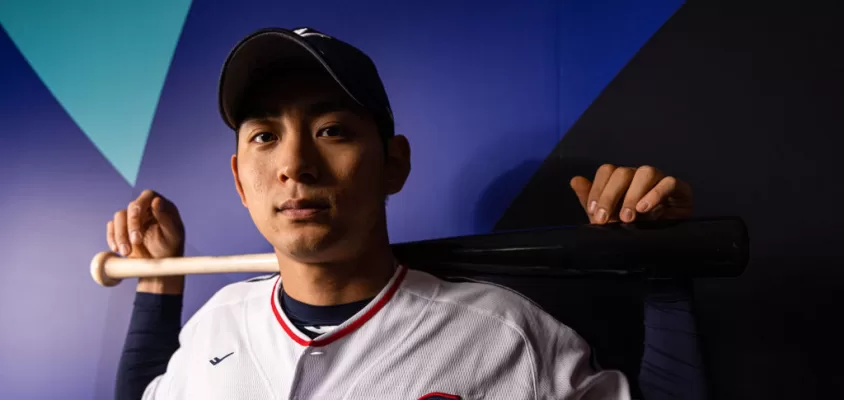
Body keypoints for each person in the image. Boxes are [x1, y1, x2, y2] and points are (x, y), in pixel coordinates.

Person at [110, 27, 704, 399]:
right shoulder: (217, 323)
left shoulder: (505, 337)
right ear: (241, 179)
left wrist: (664, 276)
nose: (295, 164)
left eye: (332, 129)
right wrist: (158, 283)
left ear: (394, 163)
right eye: (264, 136)